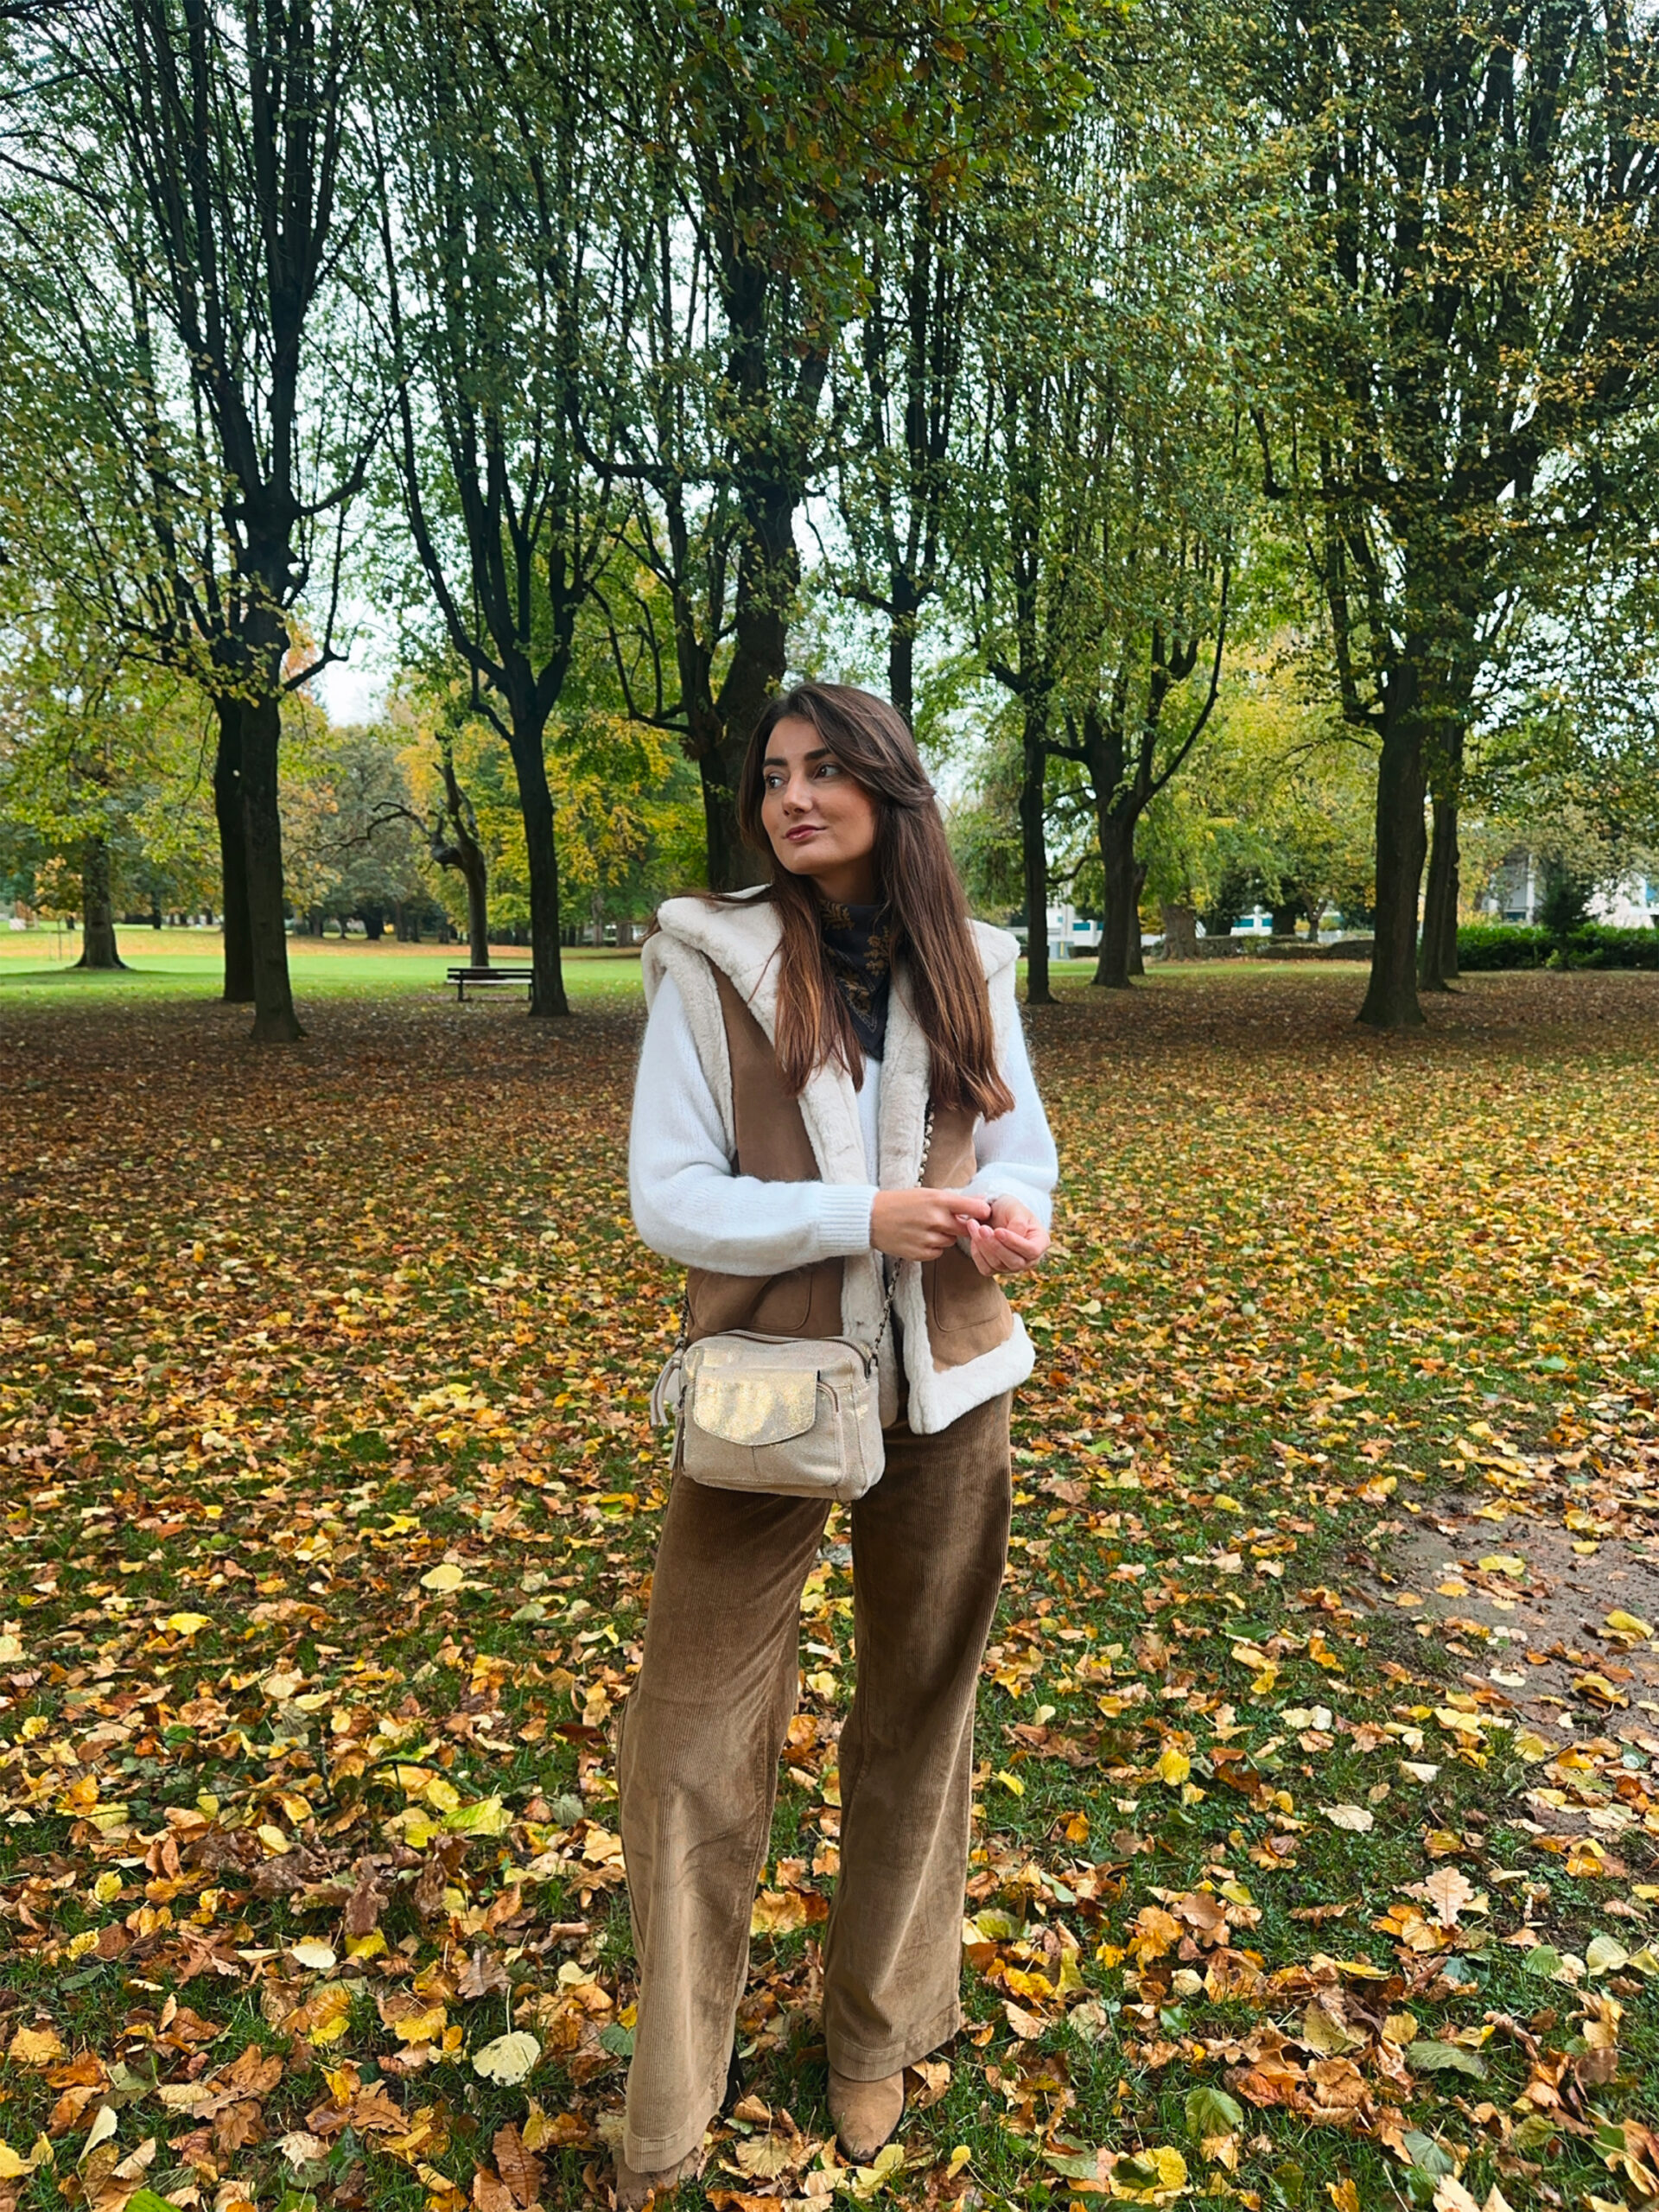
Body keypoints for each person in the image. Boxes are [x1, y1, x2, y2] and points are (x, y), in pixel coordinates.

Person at [617, 682, 1058, 2205]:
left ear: (890, 786)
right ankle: (675, 2091)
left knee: (921, 1710)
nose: (791, 797)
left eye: (823, 770)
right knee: (689, 1734)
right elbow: (670, 1194)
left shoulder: (972, 961)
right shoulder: (710, 960)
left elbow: (1022, 1149)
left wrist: (1011, 1220)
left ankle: (879, 2026)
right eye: (772, 776)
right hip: (765, 1387)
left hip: (953, 1383)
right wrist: (857, 1216)